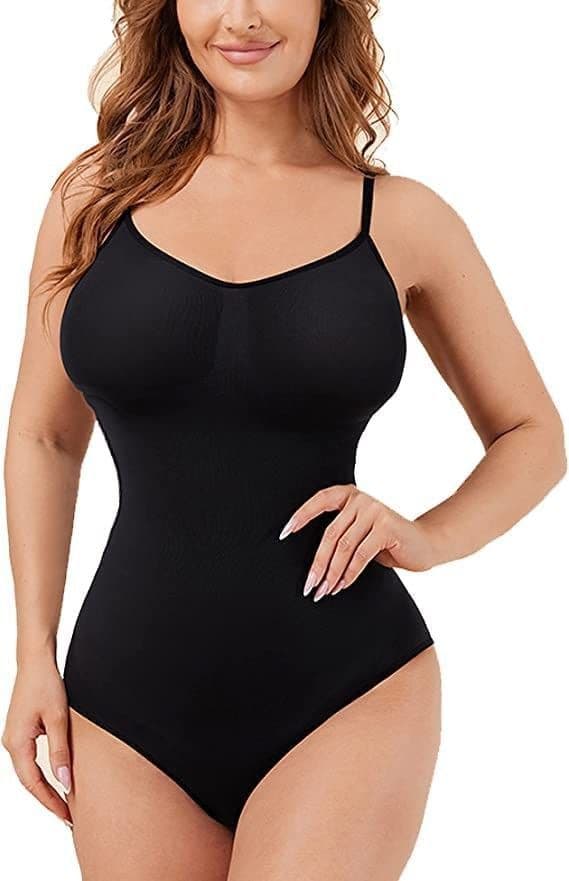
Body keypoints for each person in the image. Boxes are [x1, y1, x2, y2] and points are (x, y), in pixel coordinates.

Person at [2, 2, 565, 879]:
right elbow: (43, 435)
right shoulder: (93, 200)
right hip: (124, 698)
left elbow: (532, 433)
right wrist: (32, 652)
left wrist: (428, 534)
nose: (242, 17)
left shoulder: (401, 218)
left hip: (344, 689)